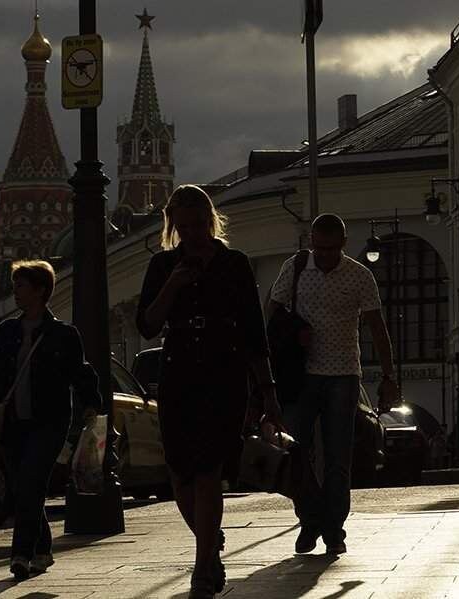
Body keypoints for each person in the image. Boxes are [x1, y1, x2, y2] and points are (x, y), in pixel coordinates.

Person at [137, 184, 281, 598]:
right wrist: (172, 286)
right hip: (179, 370)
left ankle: (202, 568)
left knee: (208, 471)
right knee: (179, 473)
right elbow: (146, 325)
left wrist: (267, 389)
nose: (192, 234)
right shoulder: (163, 265)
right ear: (173, 226)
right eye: (183, 227)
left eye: (198, 225)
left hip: (224, 372)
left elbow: (254, 332)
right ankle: (210, 542)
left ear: (210, 221)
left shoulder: (234, 264)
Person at [265, 213, 399, 556]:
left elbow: (377, 326)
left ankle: (334, 528)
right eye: (319, 248)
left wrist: (388, 376)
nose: (324, 256)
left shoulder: (359, 275)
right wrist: (288, 338)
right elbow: (271, 312)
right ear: (311, 242)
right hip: (301, 375)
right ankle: (309, 520)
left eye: (331, 249)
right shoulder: (296, 268)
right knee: (298, 452)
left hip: (343, 375)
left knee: (339, 456)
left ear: (343, 244)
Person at [0, 260, 101, 580]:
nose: (15, 292)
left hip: (49, 422)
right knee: (24, 488)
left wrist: (91, 405)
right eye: (15, 286)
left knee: (30, 482)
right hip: (12, 423)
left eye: (21, 286)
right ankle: (43, 549)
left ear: (40, 290)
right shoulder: (5, 332)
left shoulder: (62, 334)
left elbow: (80, 372)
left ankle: (21, 554)